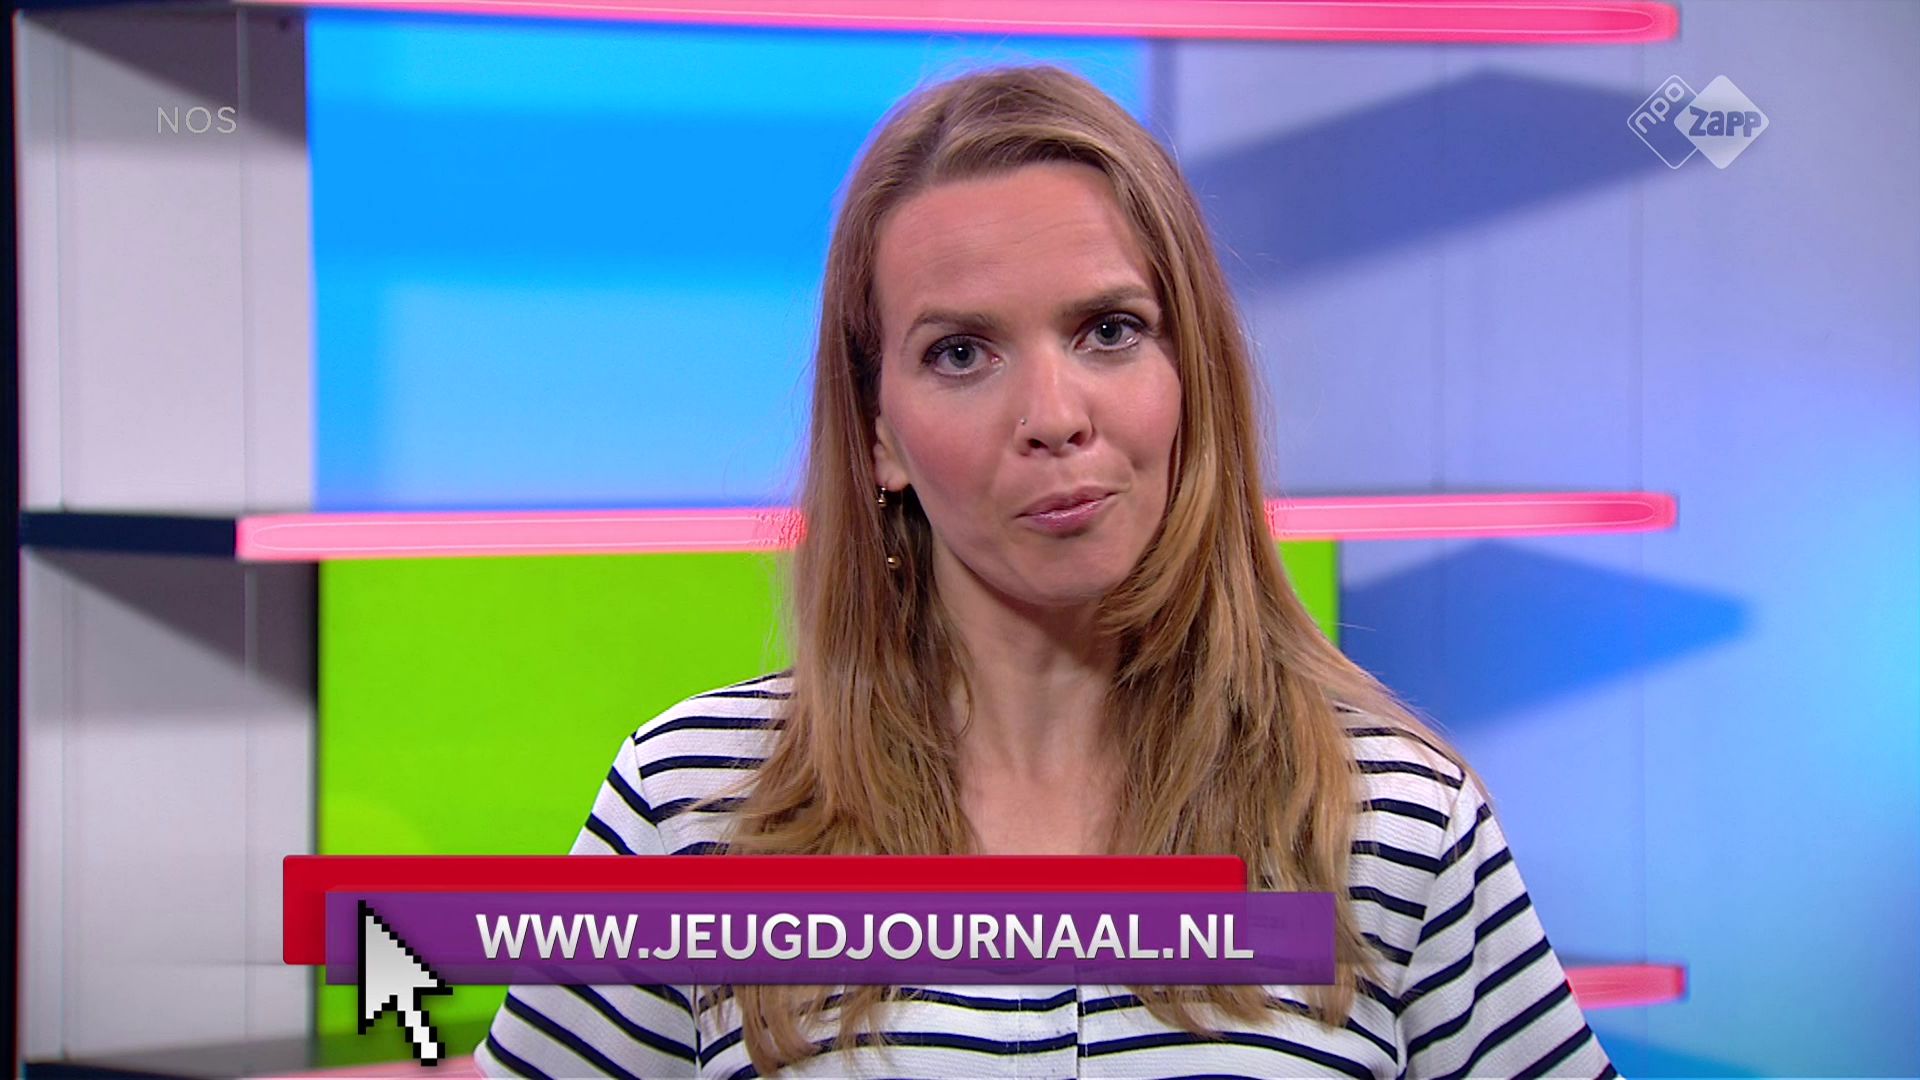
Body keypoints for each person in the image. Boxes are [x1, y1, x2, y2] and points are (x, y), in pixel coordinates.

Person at [475, 63, 1615, 1079]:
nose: (1053, 415)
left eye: (1109, 330)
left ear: (1191, 373)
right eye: (961, 352)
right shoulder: (695, 804)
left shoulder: (1396, 822)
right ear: (878, 435)